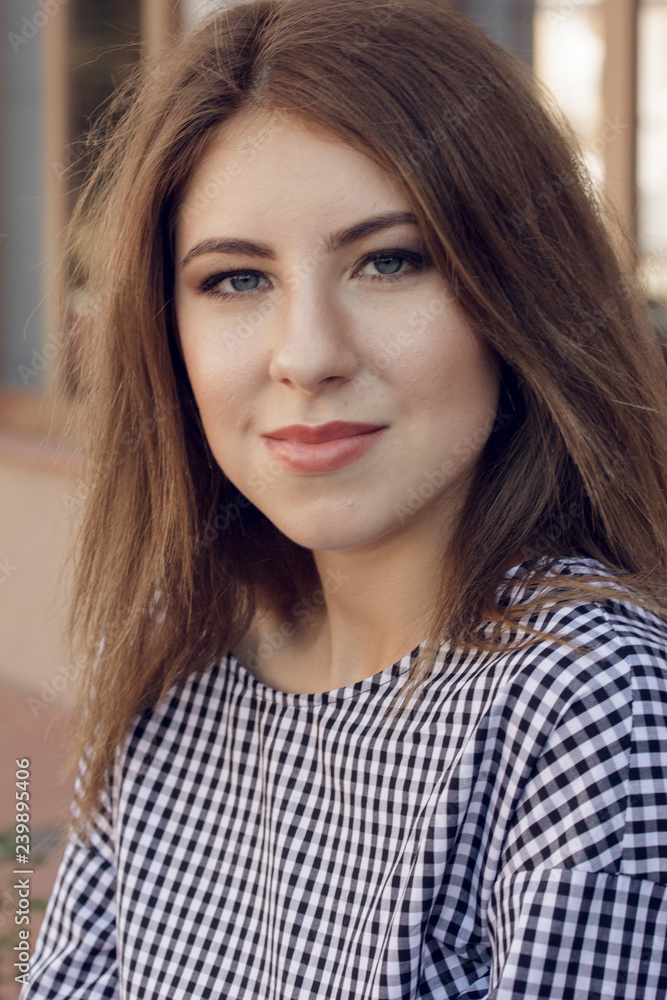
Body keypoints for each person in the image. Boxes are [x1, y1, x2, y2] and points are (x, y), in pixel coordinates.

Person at [23, 1, 667, 997]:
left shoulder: (585, 702)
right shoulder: (171, 654)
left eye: (390, 260)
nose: (308, 355)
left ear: (517, 292)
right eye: (236, 279)